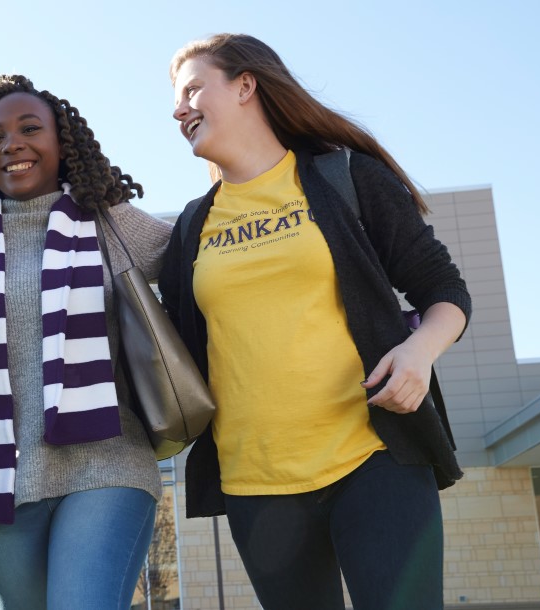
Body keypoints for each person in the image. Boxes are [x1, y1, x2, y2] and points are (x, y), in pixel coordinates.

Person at [159, 34, 472, 610]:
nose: (178, 109)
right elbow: (173, 349)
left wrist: (418, 353)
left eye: (192, 89)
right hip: (257, 485)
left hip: (374, 459)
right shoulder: (191, 227)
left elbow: (444, 291)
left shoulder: (346, 180)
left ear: (246, 85)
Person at [0, 75, 171, 609]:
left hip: (107, 464)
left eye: (29, 129)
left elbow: (196, 255)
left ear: (61, 143)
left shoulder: (108, 222)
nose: (12, 144)